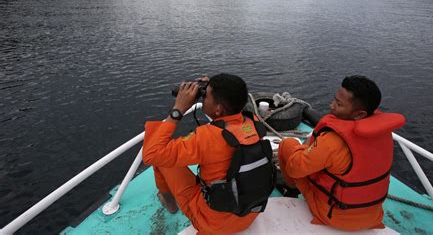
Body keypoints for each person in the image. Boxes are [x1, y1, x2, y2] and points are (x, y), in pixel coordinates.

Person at [142, 73, 272, 234]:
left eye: (205, 96)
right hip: (248, 215)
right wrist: (214, 87)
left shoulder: (207, 138)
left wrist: (178, 109)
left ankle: (169, 203)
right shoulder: (253, 121)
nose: (202, 98)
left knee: (162, 161)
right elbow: (232, 100)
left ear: (218, 109)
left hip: (212, 223)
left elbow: (151, 154)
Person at [278, 75, 405, 231]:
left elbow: (294, 169)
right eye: (334, 100)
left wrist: (305, 148)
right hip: (373, 216)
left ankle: (290, 188)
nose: (331, 106)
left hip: (332, 216)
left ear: (360, 114)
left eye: (338, 104)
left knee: (287, 145)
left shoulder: (331, 142)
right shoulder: (383, 134)